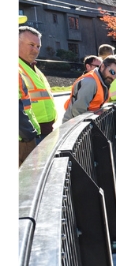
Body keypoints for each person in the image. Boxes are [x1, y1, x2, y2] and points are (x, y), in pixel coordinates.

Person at [20, 19, 59, 164]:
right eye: (31, 45)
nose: (35, 49)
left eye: (38, 46)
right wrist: (29, 135)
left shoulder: (33, 67)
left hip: (42, 131)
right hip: (28, 136)